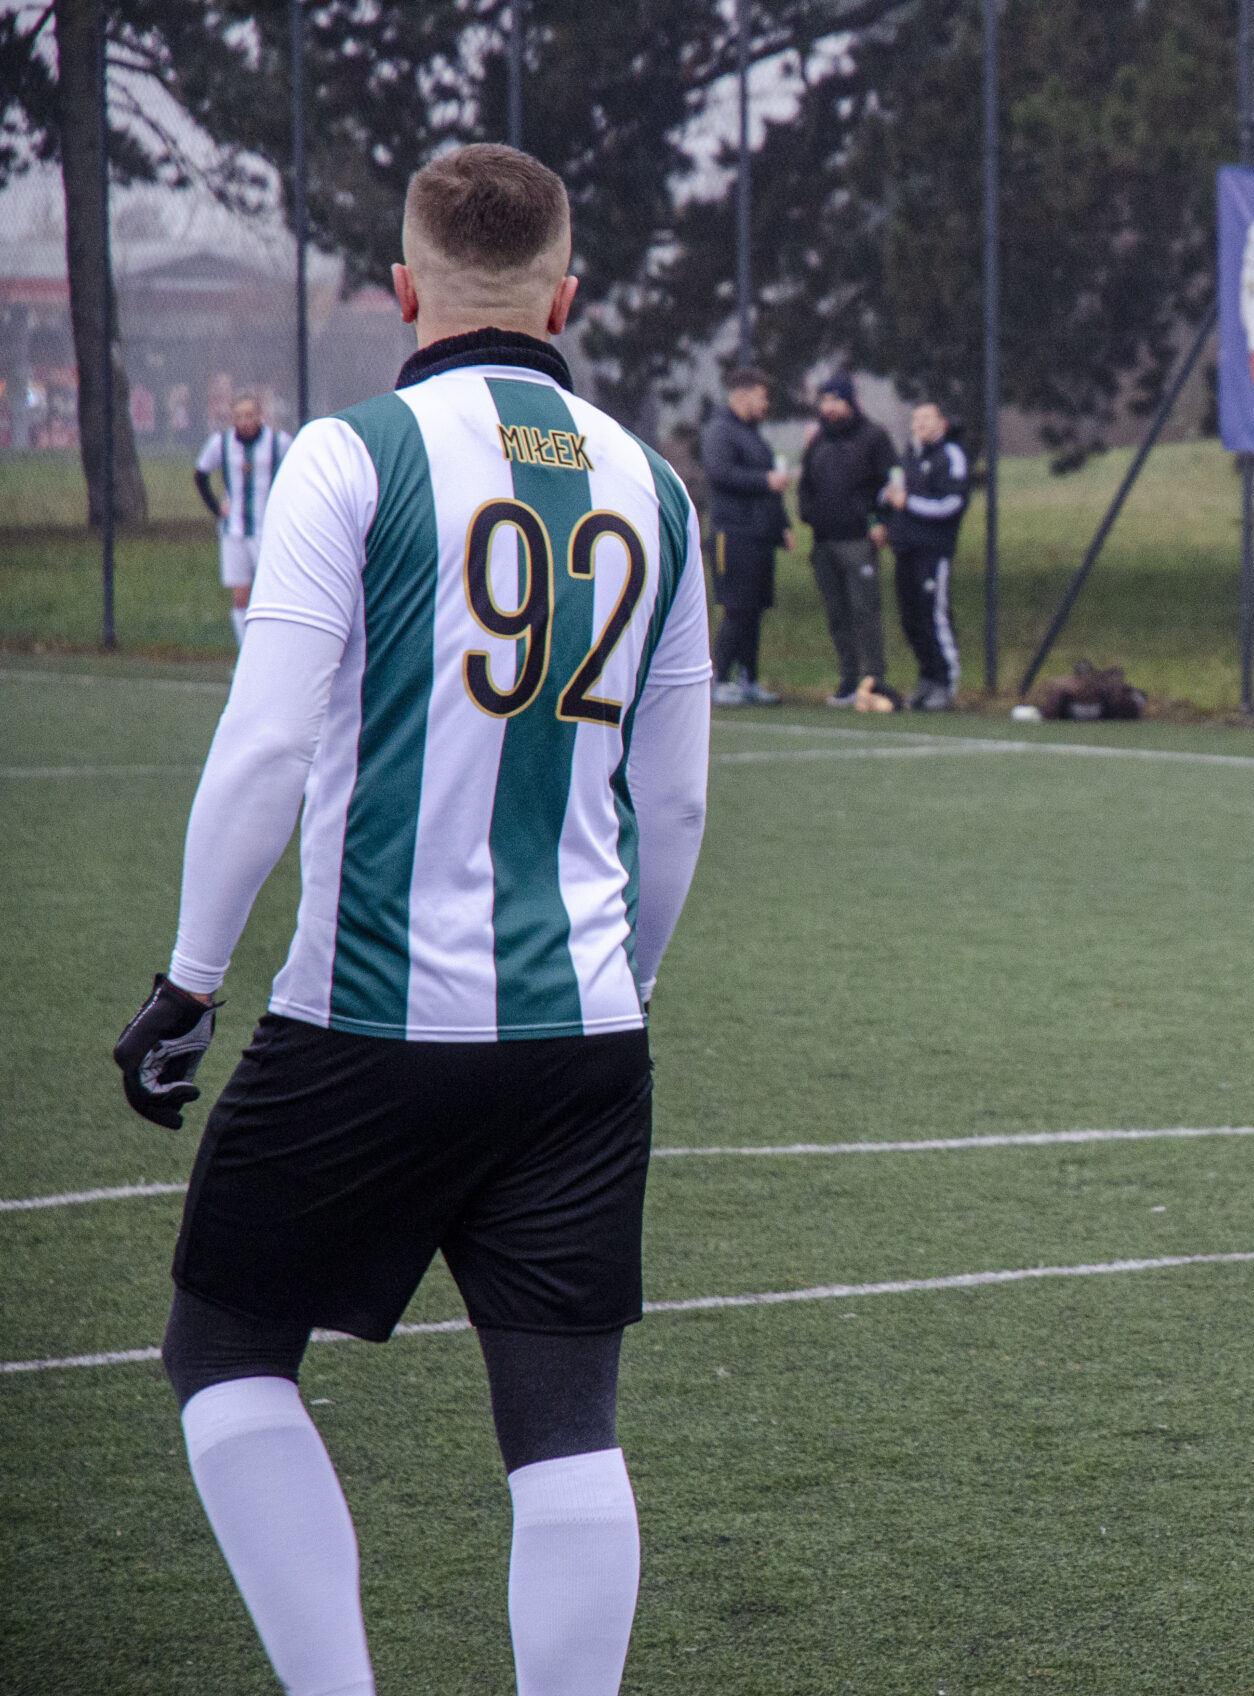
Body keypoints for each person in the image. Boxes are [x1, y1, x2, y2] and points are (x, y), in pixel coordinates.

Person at [110, 143, 712, 1696]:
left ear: (402, 290)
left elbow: (266, 746)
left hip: (366, 1020)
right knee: (566, 1431)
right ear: (565, 297)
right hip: (583, 1034)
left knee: (223, 1350)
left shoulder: (349, 456)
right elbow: (677, 805)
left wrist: (189, 981)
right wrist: (623, 987)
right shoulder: (656, 487)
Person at [799, 374, 900, 708]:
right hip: (824, 542)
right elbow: (806, 486)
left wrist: (882, 521)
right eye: (825, 401)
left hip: (858, 540)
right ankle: (849, 681)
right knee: (837, 616)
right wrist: (810, 515)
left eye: (836, 400)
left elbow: (891, 481)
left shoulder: (873, 437)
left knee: (864, 612)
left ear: (850, 402)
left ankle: (874, 682)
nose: (829, 408)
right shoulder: (817, 442)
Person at [703, 367, 792, 706]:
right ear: (742, 395)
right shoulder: (719, 431)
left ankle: (748, 679)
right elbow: (721, 472)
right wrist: (764, 481)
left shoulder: (753, 436)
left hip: (759, 536)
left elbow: (770, 485)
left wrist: (782, 525)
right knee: (736, 608)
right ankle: (719, 680)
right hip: (733, 534)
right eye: (761, 397)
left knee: (754, 610)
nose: (765, 404)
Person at [883, 400, 970, 711]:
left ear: (942, 424)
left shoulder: (950, 455)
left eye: (927, 418)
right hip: (905, 548)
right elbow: (893, 494)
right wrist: (887, 506)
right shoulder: (909, 456)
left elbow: (952, 503)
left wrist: (909, 503)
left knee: (934, 614)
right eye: (916, 418)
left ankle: (946, 682)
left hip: (932, 550)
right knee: (911, 617)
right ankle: (927, 676)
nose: (919, 424)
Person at [194, 392, 293, 646]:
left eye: (250, 415)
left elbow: (298, 472)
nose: (245, 421)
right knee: (240, 595)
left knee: (271, 592)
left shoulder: (279, 442)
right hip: (234, 531)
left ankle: (273, 647)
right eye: (239, 416)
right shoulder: (221, 444)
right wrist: (217, 508)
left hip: (267, 531)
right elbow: (200, 474)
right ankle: (246, 651)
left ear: (260, 416)